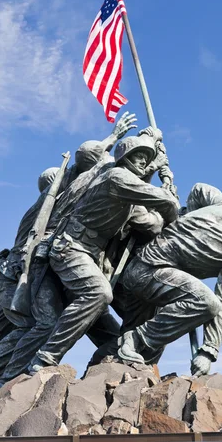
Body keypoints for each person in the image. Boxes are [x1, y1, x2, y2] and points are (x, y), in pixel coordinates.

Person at [0, 113, 137, 410]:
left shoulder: (56, 205)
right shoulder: (45, 207)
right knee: (38, 325)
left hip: (20, 275)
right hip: (14, 276)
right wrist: (112, 139)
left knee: (6, 337)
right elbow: (83, 168)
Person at [28, 134, 180, 372]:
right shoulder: (117, 177)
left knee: (113, 335)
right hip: (71, 248)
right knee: (99, 293)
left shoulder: (128, 195)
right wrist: (168, 191)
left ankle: (101, 371)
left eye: (145, 158)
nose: (142, 162)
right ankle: (46, 358)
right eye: (137, 156)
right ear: (124, 158)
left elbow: (151, 224)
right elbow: (166, 204)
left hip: (92, 257)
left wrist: (160, 178)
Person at [117, 183, 222, 376]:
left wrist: (186, 217)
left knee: (139, 352)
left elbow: (199, 189)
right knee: (206, 303)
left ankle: (110, 366)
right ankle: (136, 338)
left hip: (137, 269)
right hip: (151, 275)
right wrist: (209, 351)